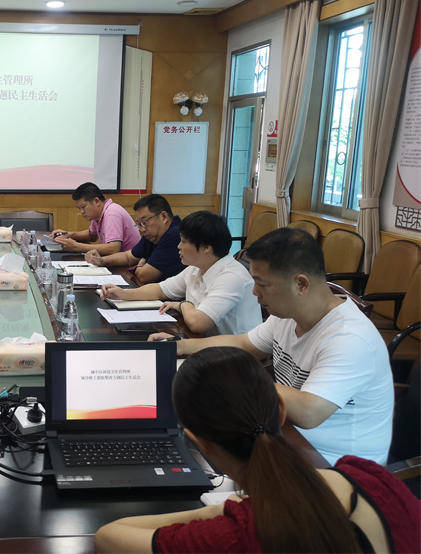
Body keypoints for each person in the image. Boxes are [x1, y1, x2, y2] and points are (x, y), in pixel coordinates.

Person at [95, 347, 420, 553]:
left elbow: (108, 536)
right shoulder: (371, 476)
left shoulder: (237, 536)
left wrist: (228, 510)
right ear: (281, 409)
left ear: (198, 442)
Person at [149, 228, 393, 465]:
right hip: (285, 437)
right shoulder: (287, 315)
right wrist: (180, 346)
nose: (255, 292)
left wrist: (231, 378)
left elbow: (309, 412)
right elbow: (242, 343)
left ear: (301, 284)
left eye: (262, 284)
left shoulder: (350, 338)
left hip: (335, 465)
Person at [101, 211, 260, 336]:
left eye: (183, 242)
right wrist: (123, 294)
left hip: (235, 357)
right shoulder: (198, 267)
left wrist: (183, 304)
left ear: (206, 248)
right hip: (205, 343)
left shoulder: (231, 277)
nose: (178, 246)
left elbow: (198, 323)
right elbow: (161, 289)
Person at [85, 194, 185, 284]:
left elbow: (144, 276)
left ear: (164, 217)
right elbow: (128, 257)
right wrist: (102, 260)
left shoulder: (175, 234)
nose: (142, 229)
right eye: (139, 224)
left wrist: (139, 267)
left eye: (145, 222)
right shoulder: (153, 234)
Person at [52, 182, 138, 255]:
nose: (81, 212)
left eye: (83, 207)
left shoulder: (112, 213)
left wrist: (76, 246)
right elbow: (92, 236)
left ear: (96, 201)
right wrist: (68, 234)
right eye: (79, 208)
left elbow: (114, 248)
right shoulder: (99, 214)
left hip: (128, 267)